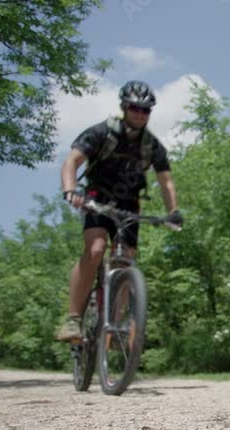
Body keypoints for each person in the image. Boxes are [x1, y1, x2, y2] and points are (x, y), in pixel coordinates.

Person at [54, 80, 183, 342]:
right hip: (97, 198)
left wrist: (173, 212)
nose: (140, 114)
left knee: (125, 260)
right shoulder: (101, 132)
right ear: (124, 107)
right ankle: (73, 320)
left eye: (146, 110)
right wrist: (70, 190)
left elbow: (166, 181)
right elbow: (72, 161)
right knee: (96, 250)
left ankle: (114, 325)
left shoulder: (152, 145)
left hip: (129, 204)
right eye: (135, 108)